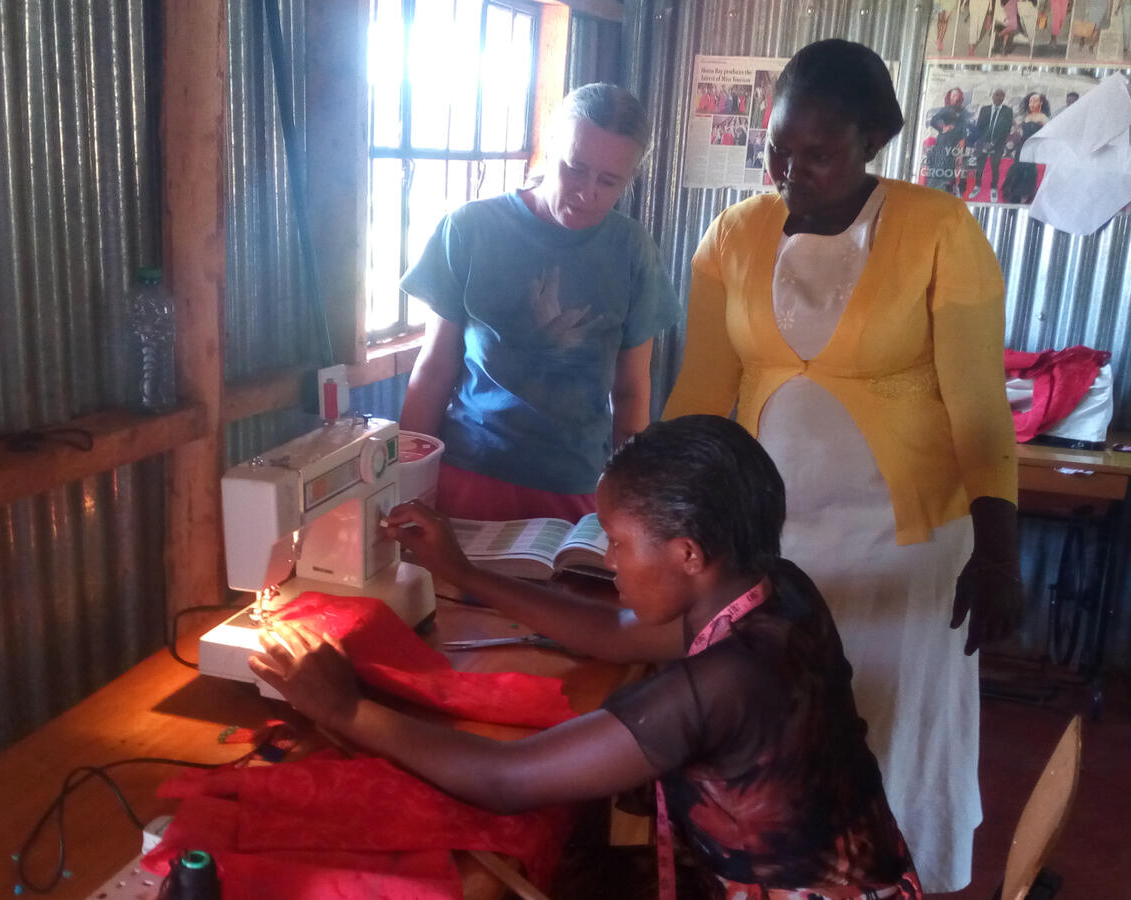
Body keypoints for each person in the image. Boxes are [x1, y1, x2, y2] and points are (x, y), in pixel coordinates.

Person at [249, 415, 923, 899]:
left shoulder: (719, 684)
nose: (608, 558)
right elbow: (615, 634)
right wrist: (465, 573)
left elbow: (506, 780)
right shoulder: (774, 594)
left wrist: (345, 708)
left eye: (619, 542)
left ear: (688, 554)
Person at [664, 39, 1021, 894]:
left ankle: (898, 876)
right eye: (778, 148)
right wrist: (653, 509)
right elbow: (701, 392)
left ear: (873, 141)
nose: (789, 171)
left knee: (890, 725)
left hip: (904, 548)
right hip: (774, 550)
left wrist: (1000, 550)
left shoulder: (939, 230)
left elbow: (979, 407)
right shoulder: (734, 235)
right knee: (784, 733)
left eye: (817, 153)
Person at [398, 82, 679, 523]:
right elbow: (434, 369)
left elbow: (630, 392)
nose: (587, 192)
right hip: (470, 472)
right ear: (550, 147)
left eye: (609, 181)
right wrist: (404, 484)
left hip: (578, 486)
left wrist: (632, 503)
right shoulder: (470, 229)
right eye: (575, 168)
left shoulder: (632, 251)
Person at [1001, 91, 1050, 204]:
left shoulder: (1043, 117)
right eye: (1031, 101)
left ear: (1041, 103)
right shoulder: (1027, 116)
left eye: (1035, 101)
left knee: (1029, 169)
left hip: (1033, 146)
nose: (1032, 103)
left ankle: (1025, 193)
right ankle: (1013, 192)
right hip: (1022, 146)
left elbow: (1048, 132)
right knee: (1018, 166)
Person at [926, 87, 968, 195]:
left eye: (956, 95)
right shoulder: (946, 109)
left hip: (957, 142)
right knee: (940, 166)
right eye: (952, 95)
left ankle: (950, 190)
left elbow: (964, 128)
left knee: (954, 167)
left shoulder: (963, 111)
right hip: (944, 142)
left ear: (960, 97)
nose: (954, 98)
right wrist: (943, 129)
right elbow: (933, 120)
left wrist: (962, 141)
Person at [973, 88, 1013, 202]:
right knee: (979, 165)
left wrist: (993, 143)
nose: (999, 98)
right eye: (997, 95)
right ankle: (977, 186)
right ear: (992, 96)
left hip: (997, 144)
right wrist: (984, 142)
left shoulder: (1007, 111)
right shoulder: (985, 109)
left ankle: (993, 188)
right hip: (983, 142)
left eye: (1002, 96)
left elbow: (1006, 129)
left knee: (995, 167)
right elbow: (979, 127)